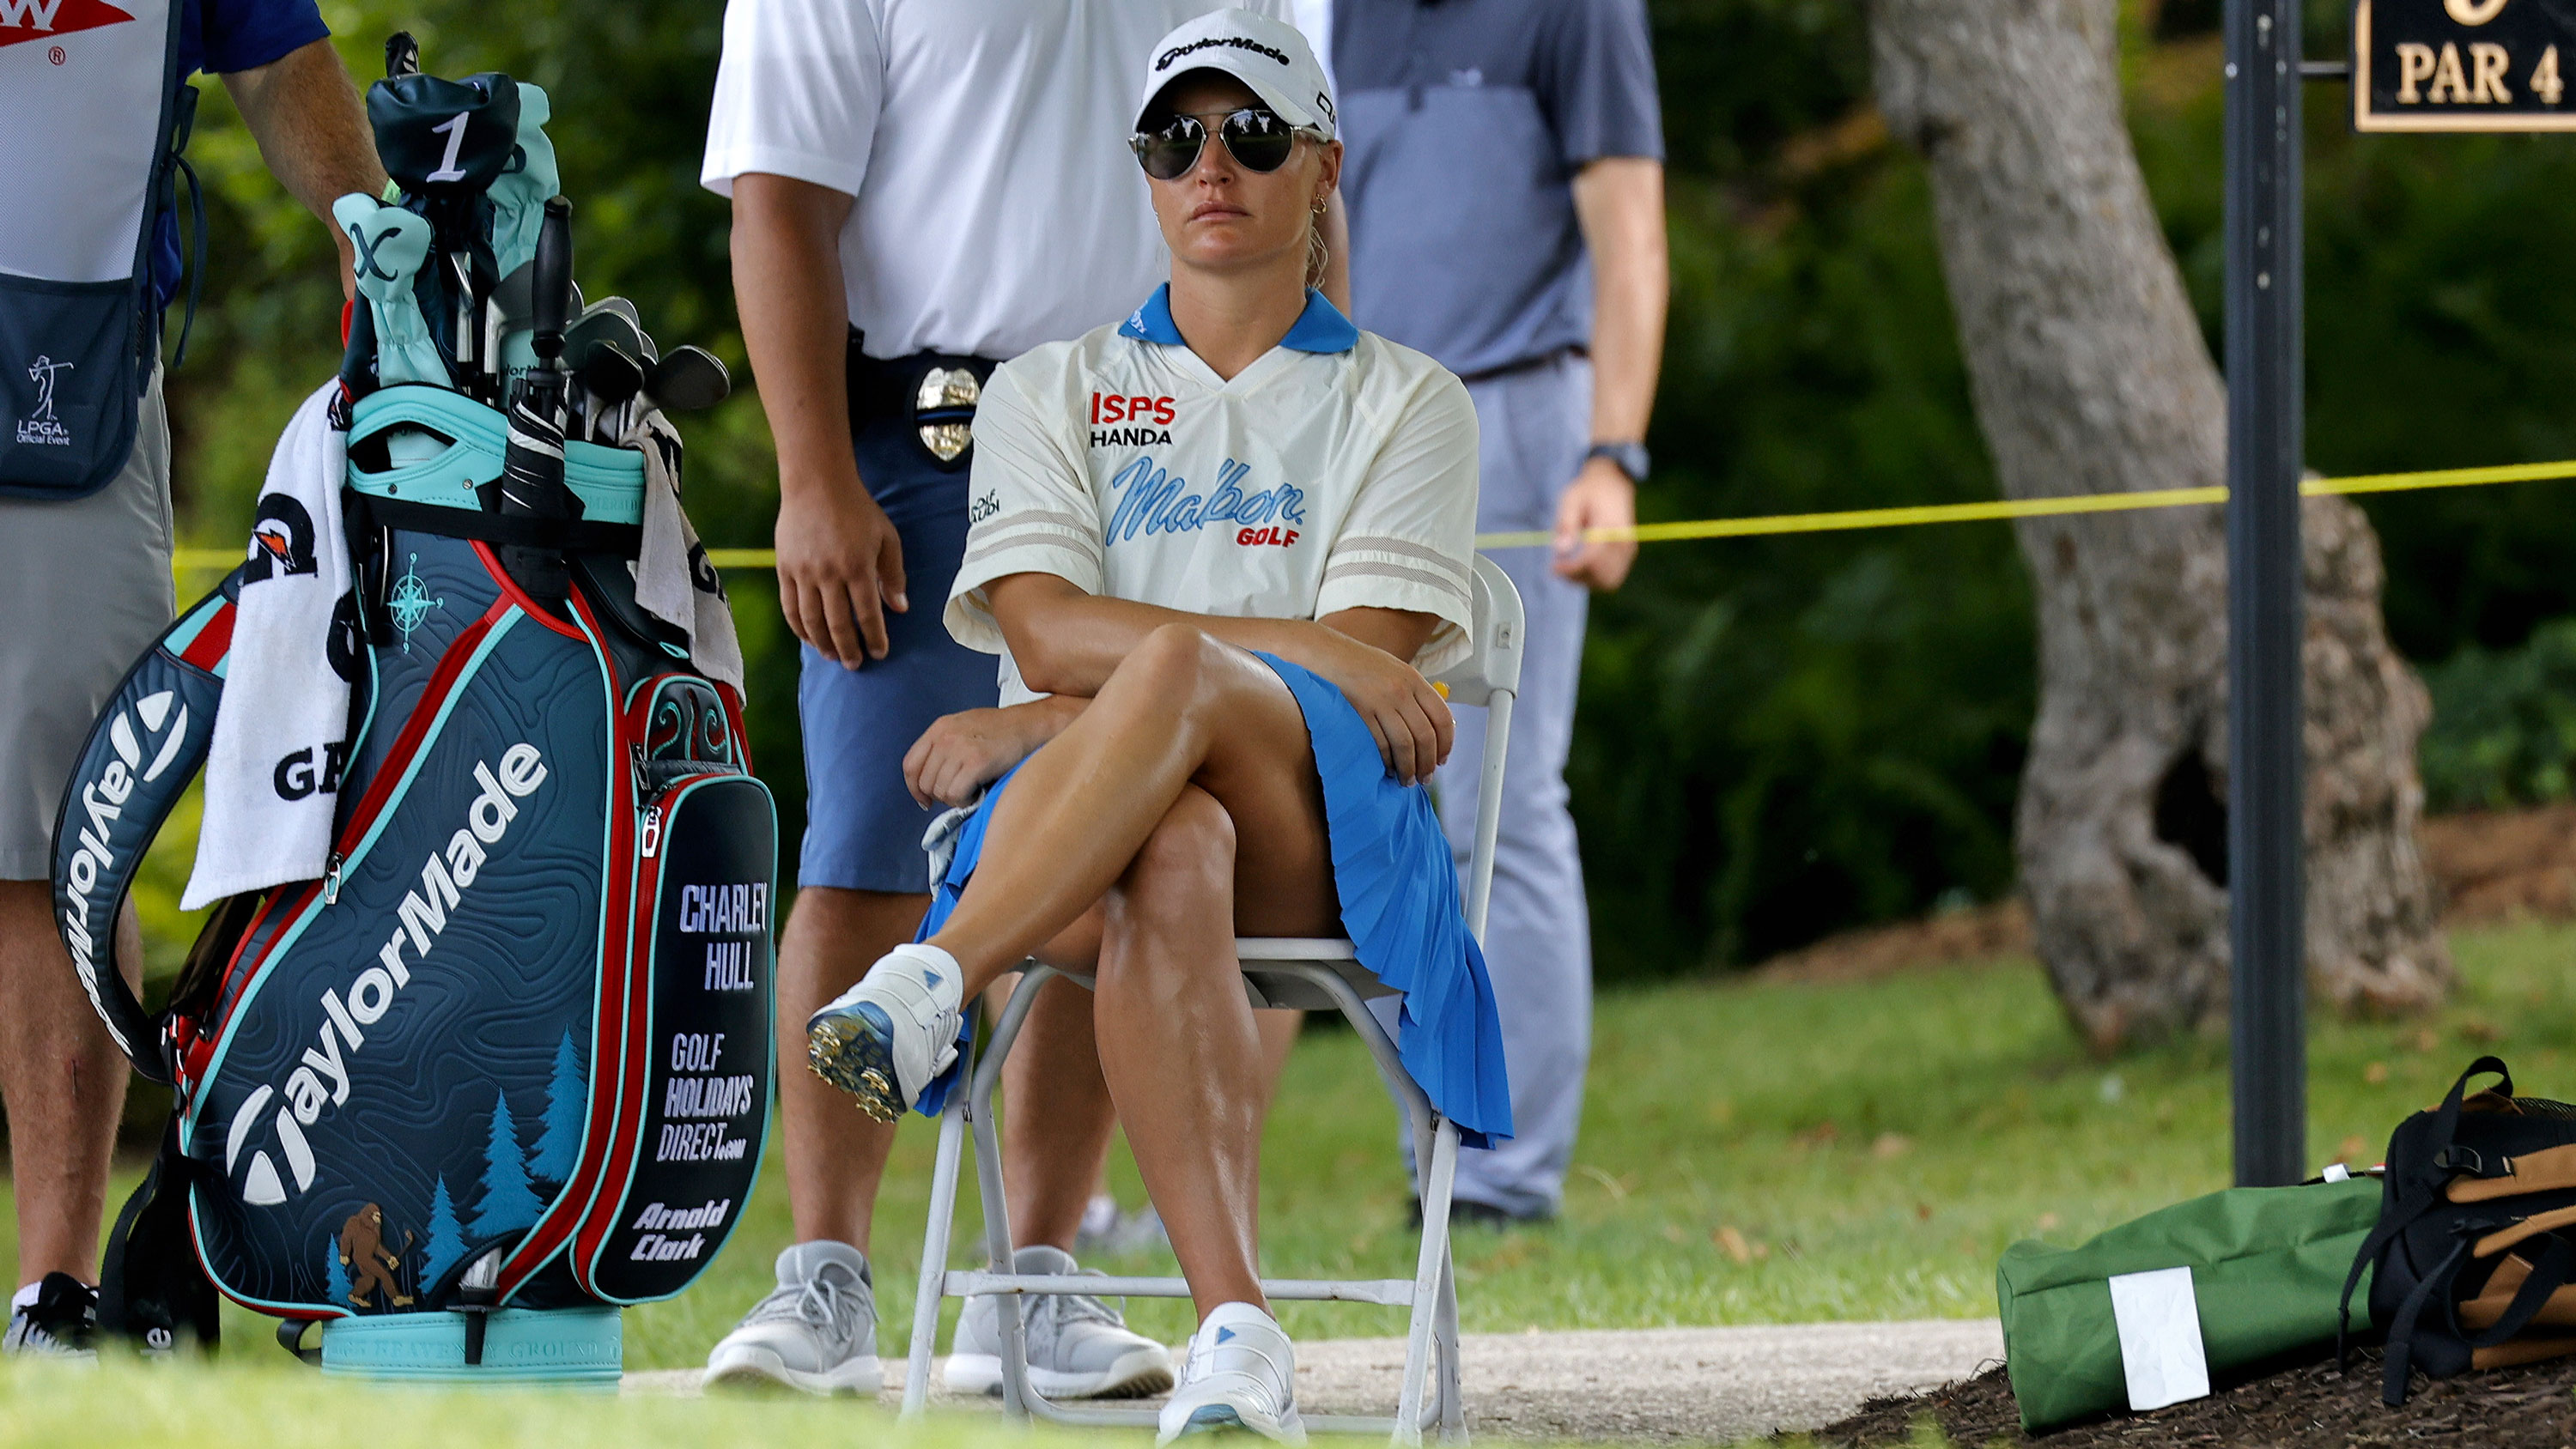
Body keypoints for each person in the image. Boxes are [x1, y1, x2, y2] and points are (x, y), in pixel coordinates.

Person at [805, 12, 1510, 1441]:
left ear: (1319, 166)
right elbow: (1047, 630)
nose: (1212, 165)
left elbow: (1356, 682)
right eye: (1174, 138)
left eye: (1252, 134)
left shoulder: (1409, 403)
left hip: (1325, 842)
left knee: (1184, 695)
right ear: (1143, 171)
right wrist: (1168, 674)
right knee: (1167, 842)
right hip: (1096, 862)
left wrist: (1041, 727)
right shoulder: (1043, 391)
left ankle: (936, 976)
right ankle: (1236, 1333)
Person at [696, 0, 1334, 1399]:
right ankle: (829, 1281)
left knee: (1120, 842)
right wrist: (813, 480)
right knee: (865, 844)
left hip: (1174, 431)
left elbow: (1304, 173)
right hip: (922, 443)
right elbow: (781, 203)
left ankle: (1031, 1283)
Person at [0, 0, 382, 1357]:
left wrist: (373, 241)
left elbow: (278, 61)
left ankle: (52, 1296)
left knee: (64, 847)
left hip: (66, 386)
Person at [1324, 0, 1668, 1225]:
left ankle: (1504, 1176)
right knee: (1381, 809)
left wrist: (1612, 455)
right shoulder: (1337, 12)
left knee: (1501, 804)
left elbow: (1630, 234)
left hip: (1519, 424)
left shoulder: (1577, 10)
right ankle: (1443, 1160)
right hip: (1359, 434)